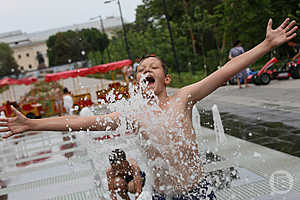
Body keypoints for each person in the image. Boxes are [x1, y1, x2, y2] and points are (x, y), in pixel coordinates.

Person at [0, 18, 297, 199]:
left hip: (197, 193)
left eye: (153, 66)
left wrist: (266, 45)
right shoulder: (133, 114)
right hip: (163, 196)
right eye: (142, 68)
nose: (147, 70)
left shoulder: (183, 98)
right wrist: (32, 124)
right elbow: (79, 123)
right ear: (138, 81)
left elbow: (224, 72)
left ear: (165, 78)